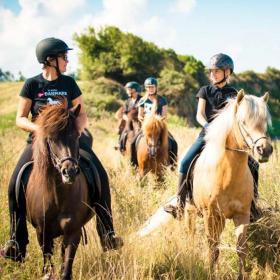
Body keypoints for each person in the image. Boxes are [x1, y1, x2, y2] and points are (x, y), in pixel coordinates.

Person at [2, 37, 122, 262]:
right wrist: (40, 129)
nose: (67, 61)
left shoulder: (69, 84)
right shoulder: (31, 84)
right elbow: (20, 118)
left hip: (68, 139)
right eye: (64, 57)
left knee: (99, 173)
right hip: (39, 141)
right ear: (50, 60)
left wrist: (75, 131)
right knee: (14, 182)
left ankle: (107, 231)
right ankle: (16, 241)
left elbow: (82, 113)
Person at [164, 53, 259, 220]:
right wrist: (209, 126)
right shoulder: (205, 91)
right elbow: (199, 115)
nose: (212, 74)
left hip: (229, 138)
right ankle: (179, 203)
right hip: (207, 135)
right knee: (186, 161)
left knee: (253, 164)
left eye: (216, 71)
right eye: (211, 71)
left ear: (227, 72)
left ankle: (253, 205)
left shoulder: (234, 93)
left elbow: (238, 116)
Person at [130, 77, 178, 166]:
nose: (150, 89)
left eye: (152, 87)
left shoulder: (162, 100)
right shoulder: (142, 100)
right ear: (146, 88)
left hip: (159, 127)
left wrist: (158, 120)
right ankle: (133, 164)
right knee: (133, 142)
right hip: (146, 127)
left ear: (156, 87)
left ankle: (173, 163)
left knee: (173, 142)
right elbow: (140, 115)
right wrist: (146, 121)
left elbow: (164, 115)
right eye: (148, 87)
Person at [117, 81, 142, 152]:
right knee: (123, 133)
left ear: (134, 90)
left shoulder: (142, 100)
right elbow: (124, 113)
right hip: (129, 122)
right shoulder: (128, 101)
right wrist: (127, 118)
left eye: (128, 89)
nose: (127, 91)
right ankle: (121, 146)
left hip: (139, 122)